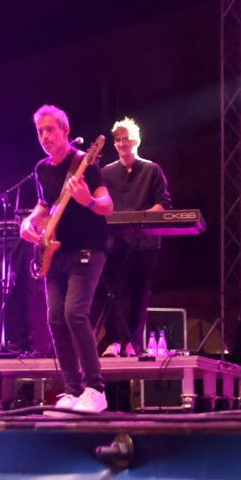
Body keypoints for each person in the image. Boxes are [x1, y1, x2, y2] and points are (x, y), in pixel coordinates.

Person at [19, 105, 113, 412]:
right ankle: (73, 390)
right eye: (40, 131)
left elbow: (106, 205)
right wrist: (29, 222)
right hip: (55, 251)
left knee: (75, 313)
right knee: (55, 318)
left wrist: (88, 200)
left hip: (87, 248)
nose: (44, 136)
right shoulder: (42, 169)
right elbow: (44, 206)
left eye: (50, 130)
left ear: (65, 131)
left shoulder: (84, 162)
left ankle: (96, 389)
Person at [95, 117, 173, 356]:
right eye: (117, 140)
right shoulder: (106, 172)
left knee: (139, 291)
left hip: (145, 241)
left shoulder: (151, 169)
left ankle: (133, 343)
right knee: (113, 291)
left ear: (136, 141)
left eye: (126, 138)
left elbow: (164, 203)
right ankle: (114, 341)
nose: (121, 143)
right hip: (114, 241)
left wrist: (141, 219)